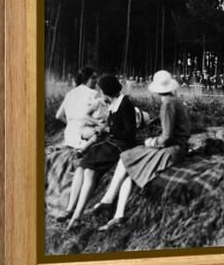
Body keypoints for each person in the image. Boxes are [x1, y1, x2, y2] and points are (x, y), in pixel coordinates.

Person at [92, 70, 192, 232]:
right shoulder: (175, 101)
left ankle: (109, 200)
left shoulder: (167, 104)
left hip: (172, 150)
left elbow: (166, 137)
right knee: (130, 162)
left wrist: (151, 141)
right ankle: (118, 214)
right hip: (179, 147)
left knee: (127, 156)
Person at [58, 74, 137, 230]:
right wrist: (104, 129)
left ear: (107, 91)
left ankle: (76, 217)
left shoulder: (125, 104)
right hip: (111, 142)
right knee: (82, 167)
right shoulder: (113, 103)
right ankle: (70, 210)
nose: (101, 94)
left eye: (102, 91)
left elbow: (129, 134)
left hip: (120, 145)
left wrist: (109, 129)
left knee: (89, 172)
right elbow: (113, 127)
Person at [55, 67, 98, 149]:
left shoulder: (70, 93)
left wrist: (71, 123)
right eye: (93, 78)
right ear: (86, 79)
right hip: (84, 133)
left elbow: (58, 115)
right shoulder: (93, 93)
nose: (96, 80)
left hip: (69, 134)